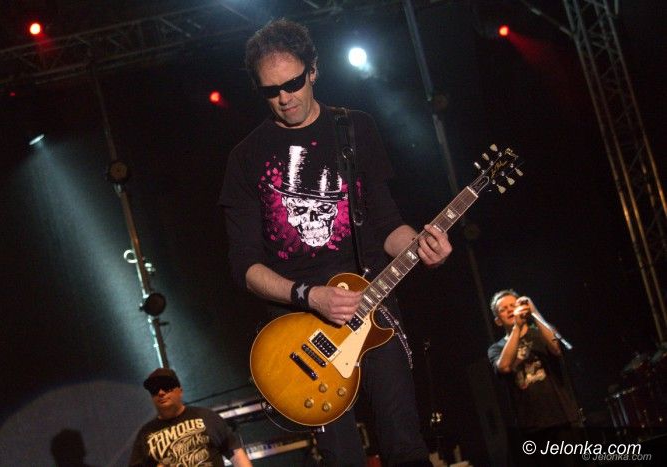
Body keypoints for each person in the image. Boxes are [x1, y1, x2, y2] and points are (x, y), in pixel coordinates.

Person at [219, 18, 452, 467]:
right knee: (341, 457)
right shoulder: (245, 158)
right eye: (271, 90)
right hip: (301, 328)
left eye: (293, 83)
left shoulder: (354, 128)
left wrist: (424, 246)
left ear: (313, 71)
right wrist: (310, 296)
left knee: (404, 442)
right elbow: (244, 266)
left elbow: (387, 224)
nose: (285, 98)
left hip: (371, 305)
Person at [487, 290, 582, 467]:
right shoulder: (496, 349)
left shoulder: (540, 333)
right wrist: (516, 328)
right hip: (531, 425)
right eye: (503, 309)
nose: (509, 310)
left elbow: (556, 349)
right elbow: (504, 366)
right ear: (498, 320)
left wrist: (534, 312)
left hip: (561, 417)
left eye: (513, 305)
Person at [129, 368, 252, 467]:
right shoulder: (145, 434)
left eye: (166, 386)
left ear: (180, 391)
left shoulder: (206, 416)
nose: (161, 393)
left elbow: (236, 454)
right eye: (154, 389)